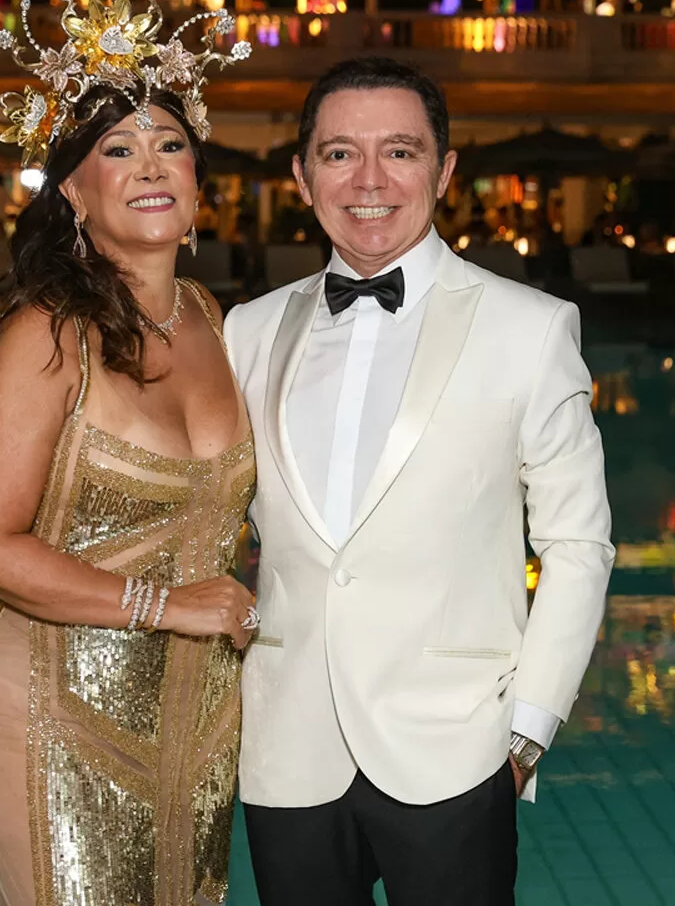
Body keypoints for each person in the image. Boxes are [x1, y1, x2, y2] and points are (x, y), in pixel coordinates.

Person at [223, 57, 614, 906]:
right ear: (302, 176)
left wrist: (527, 732)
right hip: (288, 746)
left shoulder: (530, 328)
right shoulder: (245, 331)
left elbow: (578, 545)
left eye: (399, 151)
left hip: (460, 748)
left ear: (444, 171)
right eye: (339, 154)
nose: (369, 180)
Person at [0, 0, 255, 906]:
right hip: (44, 702)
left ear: (196, 179)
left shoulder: (215, 318)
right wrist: (167, 606)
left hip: (194, 710)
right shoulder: (46, 336)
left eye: (170, 144)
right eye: (119, 149)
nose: (151, 165)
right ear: (74, 192)